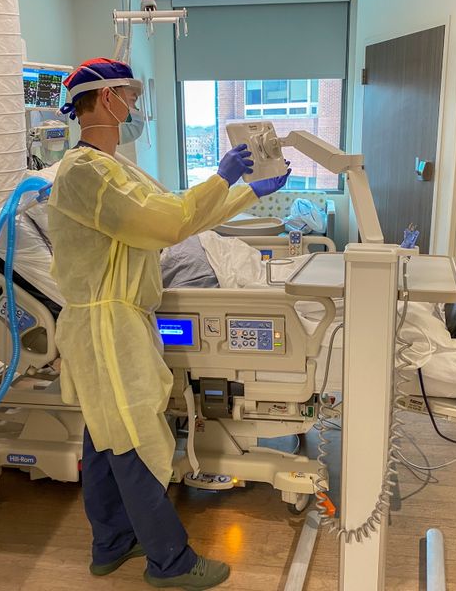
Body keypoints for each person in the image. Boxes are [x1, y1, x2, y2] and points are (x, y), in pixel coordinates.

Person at [48, 57, 290, 590]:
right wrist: (223, 176)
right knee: (135, 439)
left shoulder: (115, 169)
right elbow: (166, 222)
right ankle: (169, 562)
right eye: (130, 98)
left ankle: (111, 543)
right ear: (106, 99)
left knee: (104, 438)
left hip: (115, 322)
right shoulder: (85, 173)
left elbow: (181, 216)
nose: (134, 108)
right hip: (106, 325)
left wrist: (249, 192)